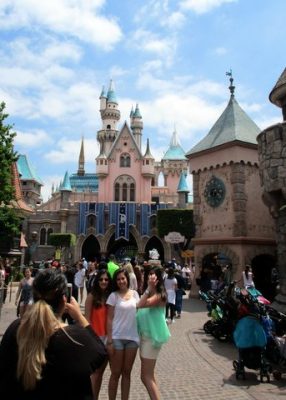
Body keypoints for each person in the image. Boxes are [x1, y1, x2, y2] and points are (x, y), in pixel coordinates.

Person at [0, 269, 107, 400]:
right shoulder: (75, 338)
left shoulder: (16, 329)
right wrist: (80, 316)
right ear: (64, 300)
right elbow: (101, 352)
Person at [136, 266, 171, 400]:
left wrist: (149, 288)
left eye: (153, 275)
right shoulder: (149, 293)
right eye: (148, 274)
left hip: (152, 338)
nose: (150, 277)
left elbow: (140, 304)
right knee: (149, 375)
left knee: (145, 376)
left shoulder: (159, 295)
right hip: (145, 336)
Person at [106, 268, 139, 400]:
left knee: (127, 373)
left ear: (127, 279)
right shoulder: (113, 296)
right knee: (115, 373)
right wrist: (109, 340)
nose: (121, 281)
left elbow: (140, 314)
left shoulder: (135, 294)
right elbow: (109, 318)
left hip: (132, 338)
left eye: (123, 278)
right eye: (118, 279)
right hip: (117, 337)